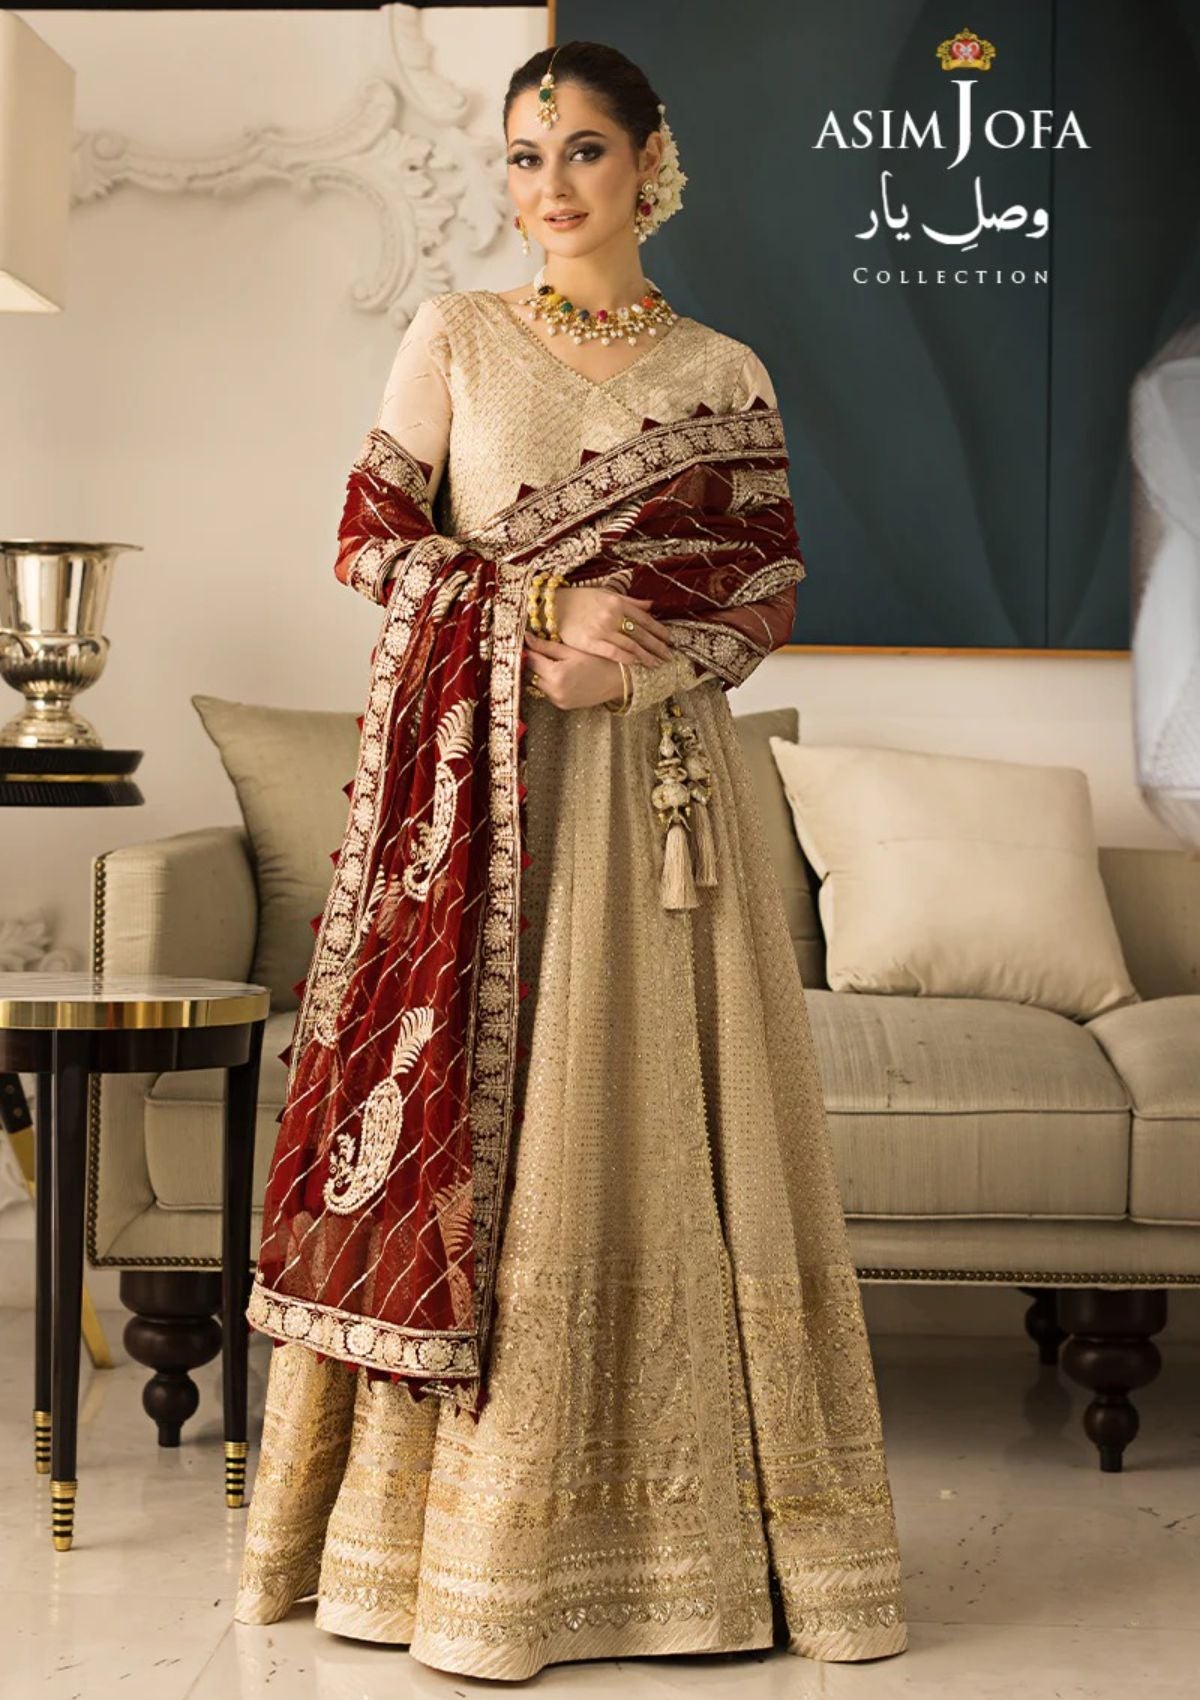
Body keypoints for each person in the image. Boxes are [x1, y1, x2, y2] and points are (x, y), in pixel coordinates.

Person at [233, 38, 909, 1680]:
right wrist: (539, 602)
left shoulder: (724, 369)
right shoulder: (457, 335)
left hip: (663, 799)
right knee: (506, 1121)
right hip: (489, 798)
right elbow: (370, 543)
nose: (551, 186)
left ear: (651, 163)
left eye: (585, 151)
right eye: (526, 157)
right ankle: (452, 1558)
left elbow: (764, 593)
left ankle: (701, 1556)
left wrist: (641, 674)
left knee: (663, 1112)